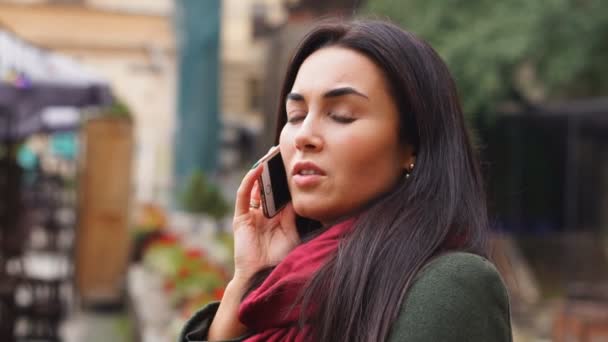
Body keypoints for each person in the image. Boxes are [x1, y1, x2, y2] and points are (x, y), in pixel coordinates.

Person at [180, 19, 512, 342]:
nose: (304, 135)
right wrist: (248, 278)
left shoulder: (447, 288)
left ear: (412, 146)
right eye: (296, 116)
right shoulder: (281, 295)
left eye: (341, 115)